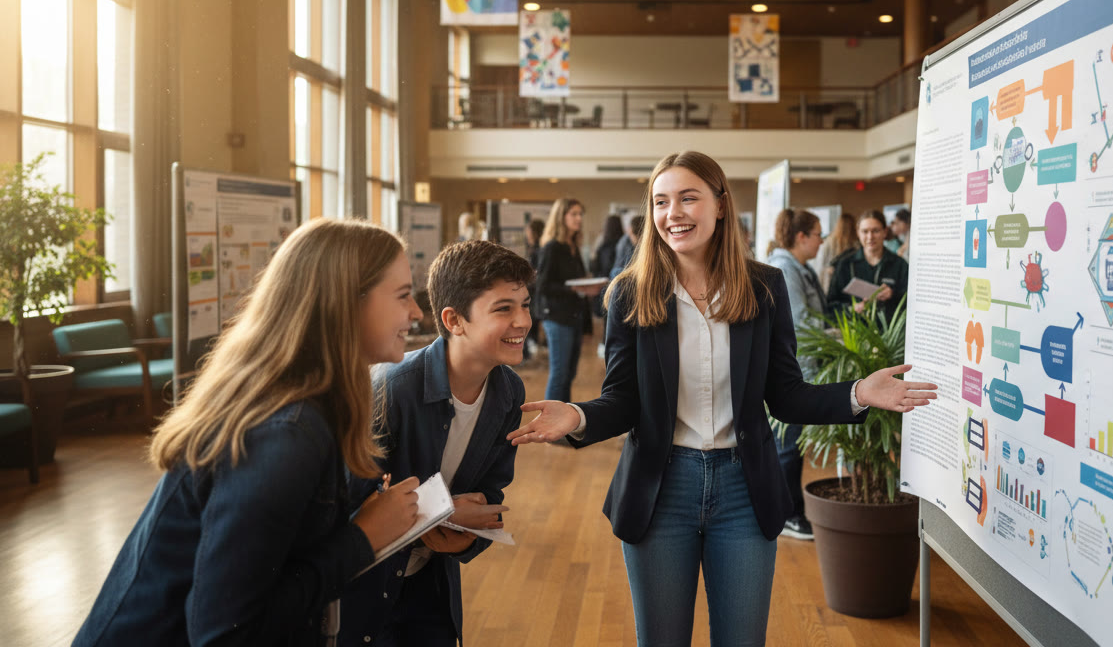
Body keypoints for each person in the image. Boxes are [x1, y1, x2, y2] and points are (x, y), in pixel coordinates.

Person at [506, 151, 938, 646]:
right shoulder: (631, 292)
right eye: (661, 202)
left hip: (743, 490)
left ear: (720, 204)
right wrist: (577, 415)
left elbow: (786, 397)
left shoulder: (764, 287)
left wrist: (859, 392)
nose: (673, 213)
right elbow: (623, 400)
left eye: (688, 198)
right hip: (660, 489)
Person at [74, 218, 423, 646]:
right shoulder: (284, 434)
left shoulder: (309, 410)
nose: (416, 312)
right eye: (403, 295)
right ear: (345, 303)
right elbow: (225, 634)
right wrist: (363, 539)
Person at [339, 240, 529, 646]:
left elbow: (489, 493)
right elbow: (352, 509)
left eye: (525, 305)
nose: (523, 321)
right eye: (503, 309)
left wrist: (467, 538)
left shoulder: (509, 392)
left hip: (432, 586)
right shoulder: (392, 388)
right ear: (454, 320)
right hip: (366, 589)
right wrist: (440, 511)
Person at [765, 208, 827, 541]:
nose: (822, 242)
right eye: (818, 235)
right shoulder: (786, 270)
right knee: (787, 447)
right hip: (792, 370)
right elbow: (800, 325)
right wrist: (835, 333)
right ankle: (787, 514)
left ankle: (789, 510)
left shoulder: (798, 268)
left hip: (800, 368)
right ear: (801, 237)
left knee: (791, 446)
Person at [536, 198, 602, 402]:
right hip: (557, 317)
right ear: (561, 217)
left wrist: (586, 288)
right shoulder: (552, 247)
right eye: (573, 214)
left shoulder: (573, 246)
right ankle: (551, 419)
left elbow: (577, 282)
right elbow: (543, 286)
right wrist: (574, 288)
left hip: (574, 316)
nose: (579, 218)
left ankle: (563, 416)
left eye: (580, 214)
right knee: (560, 375)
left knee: (569, 374)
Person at [827, 209, 909, 325]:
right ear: (858, 233)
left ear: (885, 232)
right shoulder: (845, 264)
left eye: (875, 231)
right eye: (865, 231)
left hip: (890, 333)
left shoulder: (900, 265)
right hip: (855, 331)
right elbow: (831, 305)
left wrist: (893, 294)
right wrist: (852, 309)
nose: (870, 237)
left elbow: (911, 302)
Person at [815, 212, 857, 293]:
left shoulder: (828, 242)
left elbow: (820, 266)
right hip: (834, 283)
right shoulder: (830, 243)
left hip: (831, 285)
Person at [524, 218, 546, 360]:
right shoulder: (534, 248)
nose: (527, 234)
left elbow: (537, 273)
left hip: (535, 291)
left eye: (529, 231)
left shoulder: (539, 250)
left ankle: (532, 345)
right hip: (533, 290)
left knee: (532, 317)